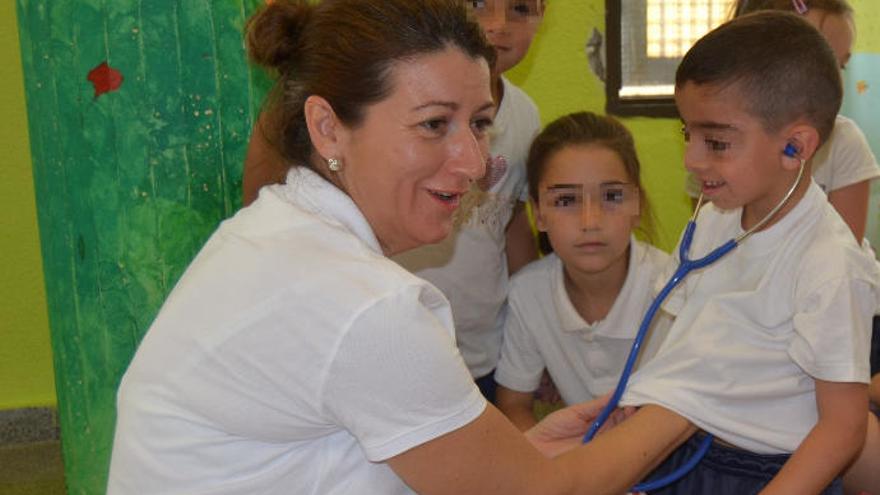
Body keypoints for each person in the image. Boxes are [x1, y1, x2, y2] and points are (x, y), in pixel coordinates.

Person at [106, 1, 696, 493]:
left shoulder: (270, 233)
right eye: (434, 124)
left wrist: (517, 452)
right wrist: (688, 398)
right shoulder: (362, 305)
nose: (473, 162)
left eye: (480, 123)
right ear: (328, 127)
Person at [618, 11, 879, 494]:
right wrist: (643, 393)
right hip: (690, 451)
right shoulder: (714, 218)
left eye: (716, 142)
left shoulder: (829, 264)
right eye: (687, 134)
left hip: (773, 473)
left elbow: (843, 430)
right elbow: (684, 328)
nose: (692, 160)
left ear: (794, 147)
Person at [391, 0, 544, 402]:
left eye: (521, 8)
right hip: (400, 349)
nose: (499, 25)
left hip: (484, 355)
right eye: (479, 4)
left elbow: (514, 224)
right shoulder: (407, 101)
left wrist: (533, 335)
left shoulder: (525, 115)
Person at [493, 111, 669, 431]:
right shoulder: (528, 293)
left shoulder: (675, 290)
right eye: (566, 200)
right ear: (539, 215)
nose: (590, 221)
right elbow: (513, 405)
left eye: (612, 196)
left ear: (638, 205)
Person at [684, 0, 879, 242]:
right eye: (814, 60)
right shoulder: (713, 147)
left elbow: (844, 244)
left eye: (840, 65)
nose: (832, 81)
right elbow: (705, 241)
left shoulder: (845, 143)